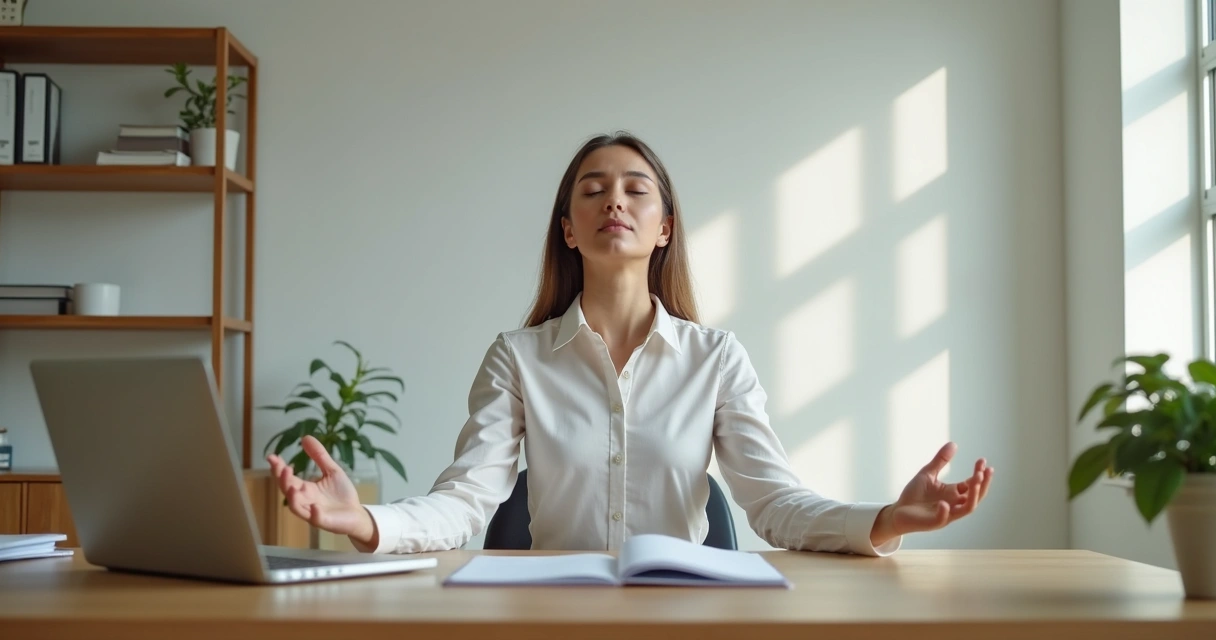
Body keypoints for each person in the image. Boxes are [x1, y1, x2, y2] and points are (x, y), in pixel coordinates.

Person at [267, 132, 994, 556]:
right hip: (550, 624)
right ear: (568, 228)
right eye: (592, 189)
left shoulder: (716, 358)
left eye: (636, 189)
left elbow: (775, 504)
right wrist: (366, 520)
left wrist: (888, 521)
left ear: (665, 227)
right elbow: (466, 501)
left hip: (684, 622)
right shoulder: (517, 357)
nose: (615, 199)